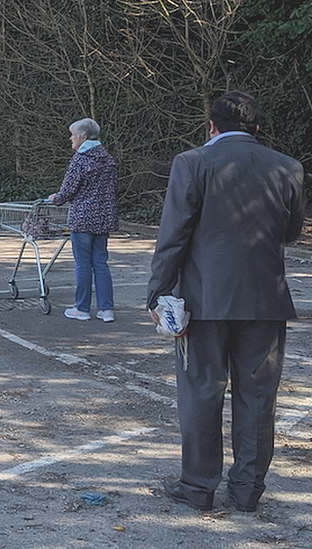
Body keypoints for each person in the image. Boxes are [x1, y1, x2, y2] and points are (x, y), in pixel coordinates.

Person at [147, 90, 305, 512]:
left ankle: (198, 488)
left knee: (201, 392)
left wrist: (157, 292)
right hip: (265, 301)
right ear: (256, 128)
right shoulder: (288, 167)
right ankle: (247, 491)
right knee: (257, 399)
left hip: (203, 301)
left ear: (211, 126)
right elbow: (290, 232)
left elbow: (173, 236)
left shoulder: (192, 162)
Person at [48, 118, 119, 322]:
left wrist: (56, 198)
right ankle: (106, 310)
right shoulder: (107, 158)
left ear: (83, 136)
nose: (71, 138)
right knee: (101, 263)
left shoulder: (80, 159)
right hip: (104, 217)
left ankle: (82, 308)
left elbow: (68, 190)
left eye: (73, 135)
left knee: (83, 264)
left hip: (83, 218)